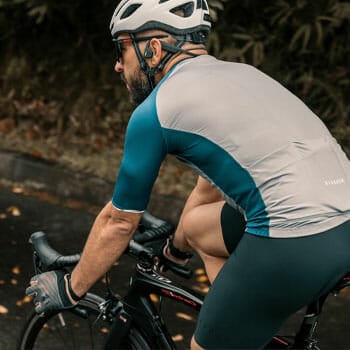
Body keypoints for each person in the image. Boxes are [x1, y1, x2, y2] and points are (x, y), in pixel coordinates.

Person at [26, 0, 350, 348]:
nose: (118, 66)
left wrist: (71, 288)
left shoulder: (156, 112)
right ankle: (239, 325)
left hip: (294, 239)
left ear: (152, 49)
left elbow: (119, 222)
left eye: (122, 49)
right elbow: (209, 187)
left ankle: (230, 329)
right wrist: (174, 251)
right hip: (341, 223)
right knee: (197, 226)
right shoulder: (242, 74)